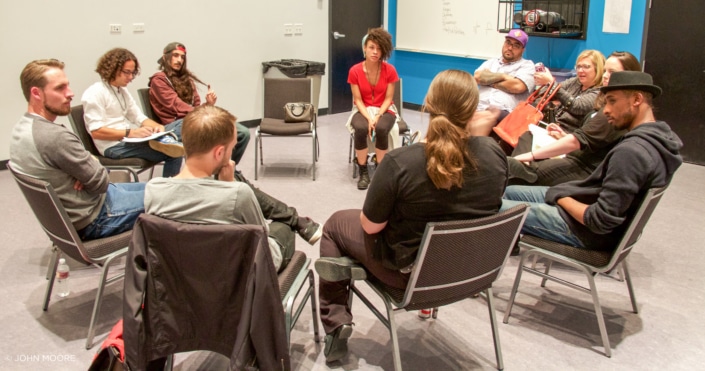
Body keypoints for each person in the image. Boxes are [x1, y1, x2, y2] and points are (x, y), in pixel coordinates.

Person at [315, 70, 508, 363]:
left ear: (428, 104)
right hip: (472, 272)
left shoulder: (401, 162)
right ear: (473, 109)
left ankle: (336, 322)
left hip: (409, 278)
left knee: (334, 224)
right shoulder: (494, 155)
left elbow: (370, 226)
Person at [502, 71, 682, 252]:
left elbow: (600, 221)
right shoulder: (661, 137)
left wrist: (562, 198)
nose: (605, 110)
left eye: (612, 101)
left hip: (585, 232)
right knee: (509, 192)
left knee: (494, 206)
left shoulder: (631, 152)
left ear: (636, 99)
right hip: (589, 202)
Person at [145, 105, 322, 272]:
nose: (232, 156)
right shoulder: (238, 194)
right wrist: (231, 186)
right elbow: (260, 243)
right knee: (282, 226)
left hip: (179, 280)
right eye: (232, 148)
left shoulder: (153, 191)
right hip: (237, 278)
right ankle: (295, 220)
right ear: (219, 153)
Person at [9, 59, 144, 241]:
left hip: (86, 207)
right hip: (97, 217)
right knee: (175, 196)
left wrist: (84, 169)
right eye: (60, 88)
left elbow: (93, 178)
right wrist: (93, 163)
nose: (71, 94)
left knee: (161, 187)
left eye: (68, 86)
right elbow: (100, 182)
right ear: (36, 93)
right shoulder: (55, 137)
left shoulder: (21, 129)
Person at [508, 51, 642, 186]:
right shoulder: (589, 90)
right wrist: (563, 135)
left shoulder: (614, 109)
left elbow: (579, 120)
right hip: (572, 148)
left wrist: (530, 156)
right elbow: (586, 138)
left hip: (581, 166)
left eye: (586, 67)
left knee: (518, 168)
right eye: (578, 66)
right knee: (522, 145)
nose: (606, 76)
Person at [82, 48, 184, 178]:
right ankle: (167, 189)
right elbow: (96, 132)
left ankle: (167, 140)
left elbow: (138, 117)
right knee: (174, 152)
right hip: (114, 146)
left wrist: (157, 127)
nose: (130, 77)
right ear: (112, 69)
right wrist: (131, 133)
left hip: (130, 139)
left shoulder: (122, 91)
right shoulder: (95, 93)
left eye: (132, 73)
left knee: (185, 122)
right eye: (127, 72)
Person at [148, 42, 251, 165]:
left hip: (193, 120)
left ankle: (225, 169)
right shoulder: (159, 80)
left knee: (243, 133)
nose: (179, 60)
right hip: (175, 127)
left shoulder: (187, 80)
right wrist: (202, 113)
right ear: (165, 57)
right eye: (175, 55)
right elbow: (176, 106)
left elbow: (195, 105)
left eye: (182, 57)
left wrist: (207, 104)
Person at [345, 27, 400, 190]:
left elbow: (389, 99)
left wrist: (377, 117)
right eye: (371, 47)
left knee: (382, 129)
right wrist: (369, 118)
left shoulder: (390, 70)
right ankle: (363, 172)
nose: (375, 52)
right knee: (361, 128)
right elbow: (358, 100)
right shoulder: (354, 71)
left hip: (385, 109)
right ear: (364, 48)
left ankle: (380, 172)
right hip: (362, 109)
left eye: (379, 48)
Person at [467, 29, 536, 136]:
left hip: (503, 112)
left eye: (516, 45)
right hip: (477, 106)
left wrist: (489, 80)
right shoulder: (491, 62)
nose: (510, 47)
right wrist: (504, 77)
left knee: (487, 117)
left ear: (523, 50)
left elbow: (517, 86)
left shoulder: (527, 66)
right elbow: (478, 77)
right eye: (508, 42)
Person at [533, 49, 605, 133]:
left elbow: (577, 106)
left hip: (568, 134)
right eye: (578, 66)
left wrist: (551, 83)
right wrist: (545, 82)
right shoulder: (575, 81)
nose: (580, 70)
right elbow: (546, 93)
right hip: (551, 126)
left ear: (598, 69)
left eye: (586, 67)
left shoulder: (599, 92)